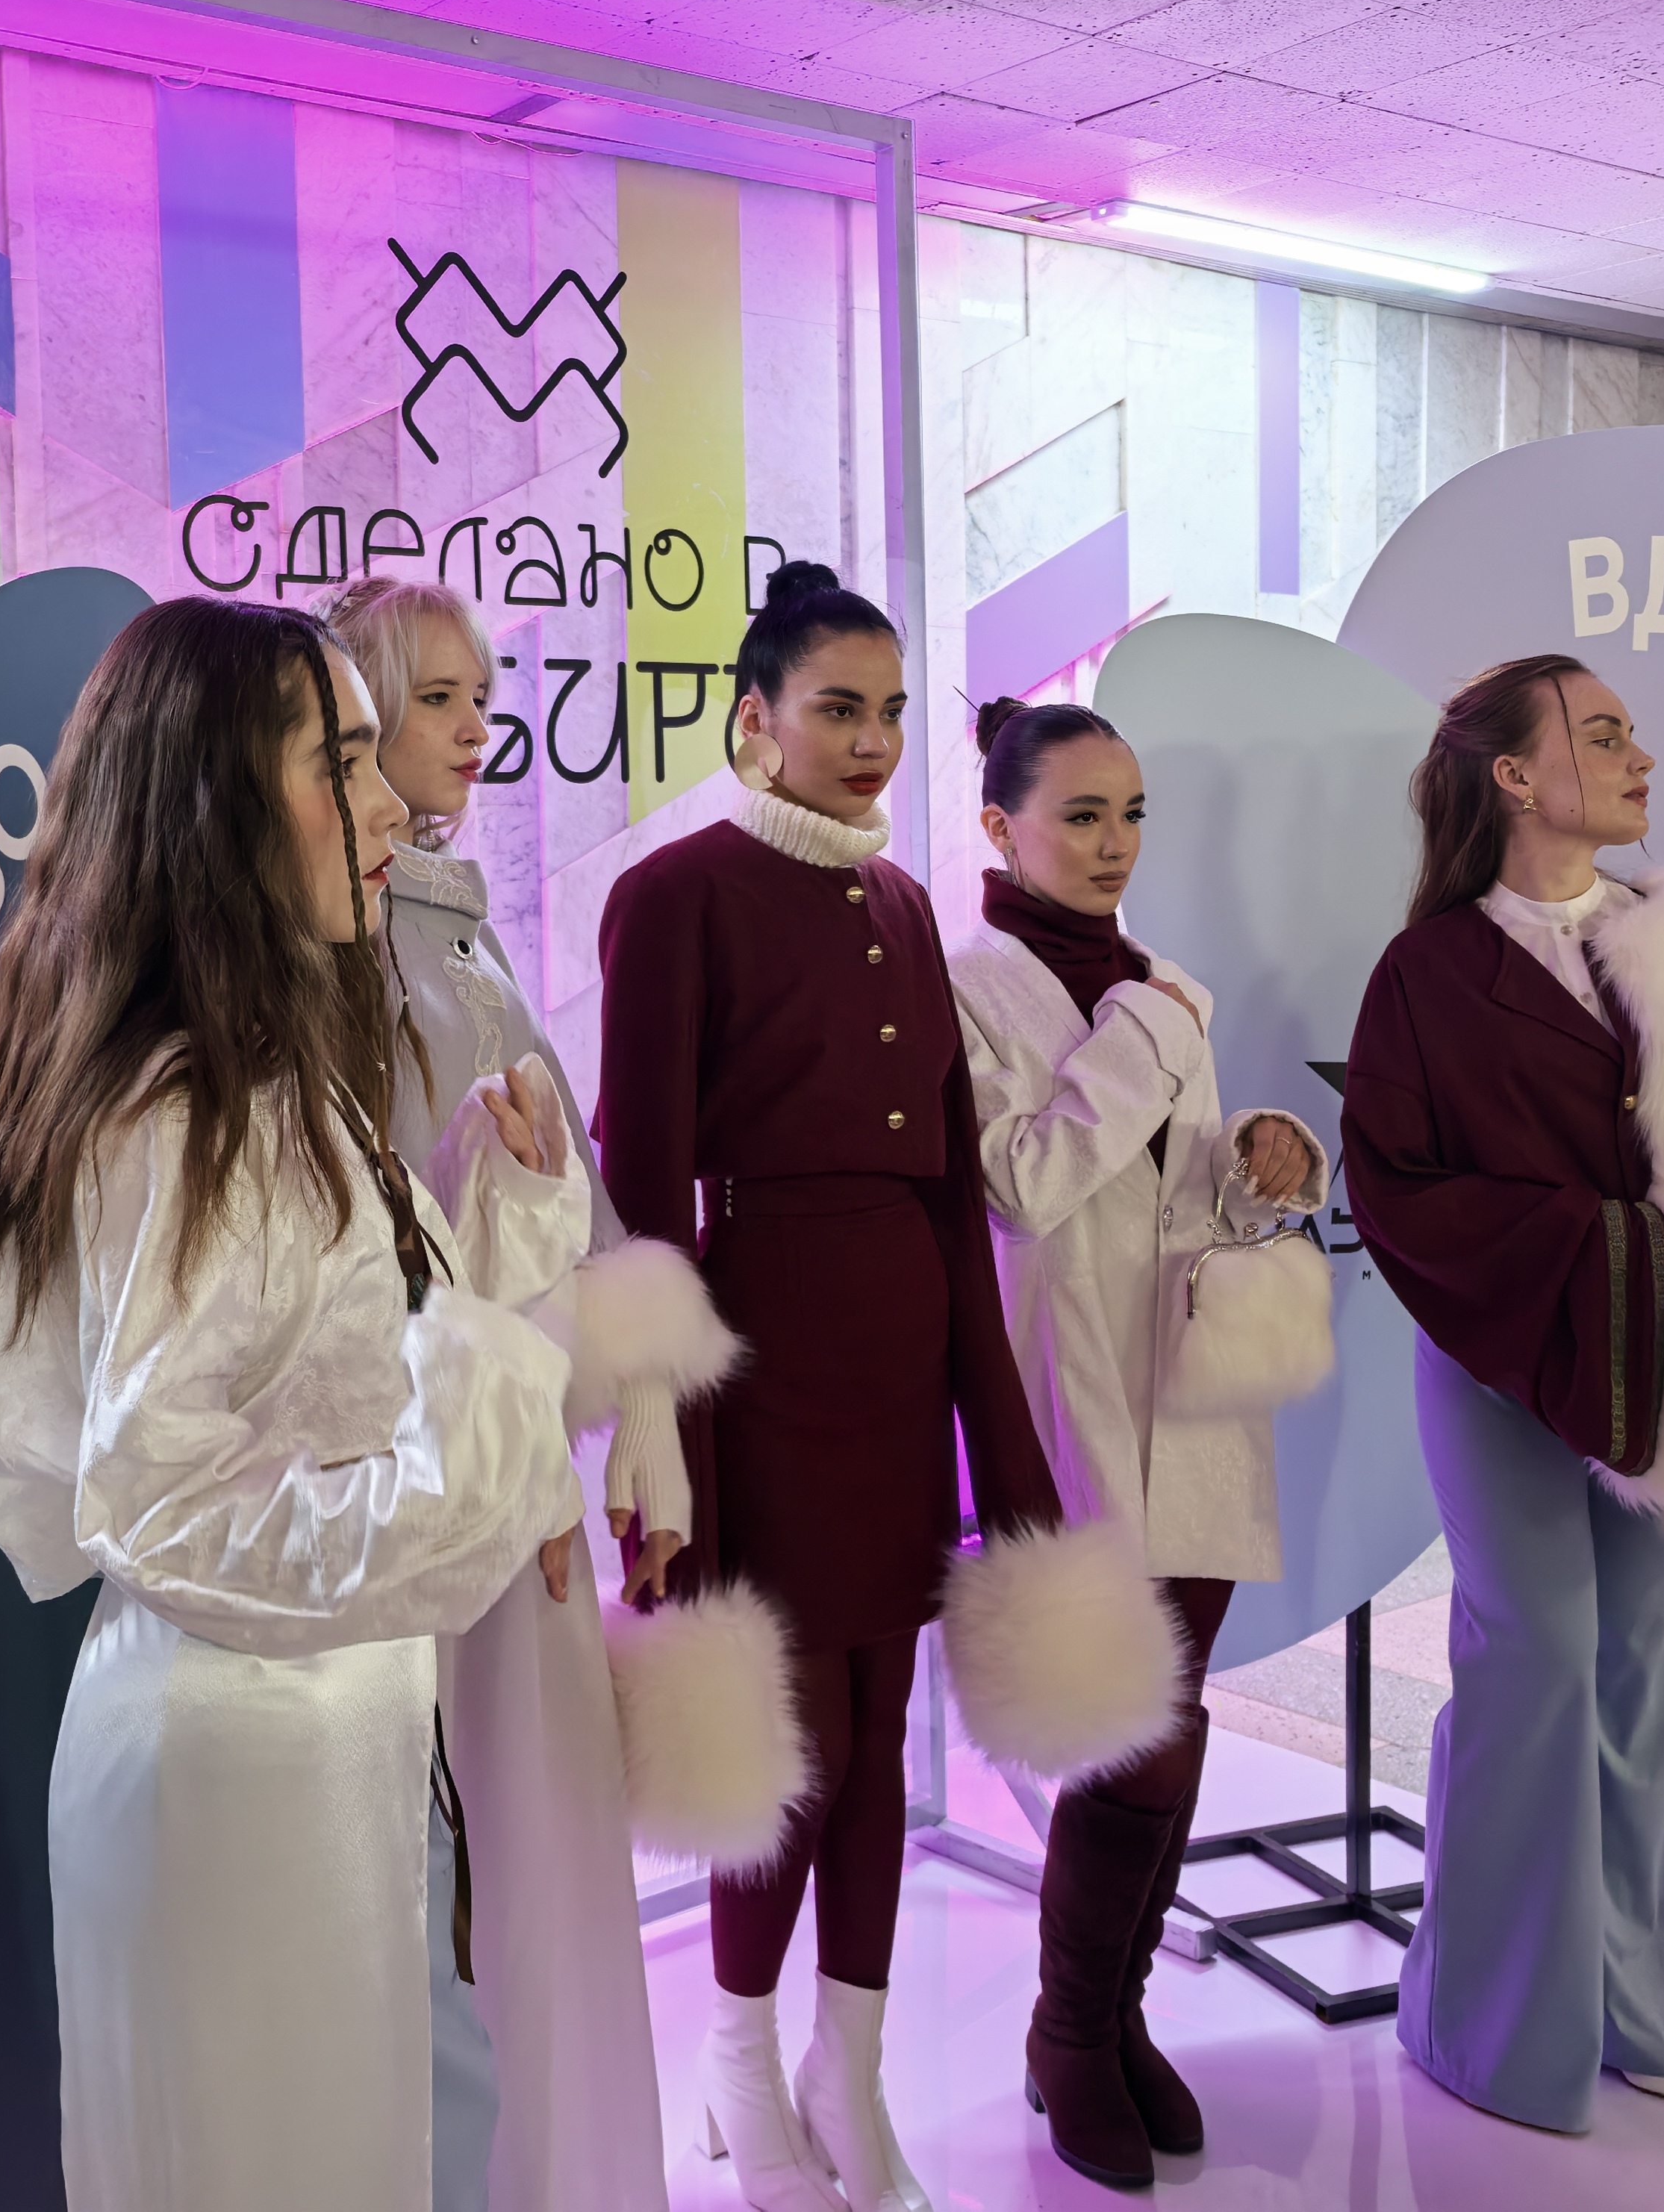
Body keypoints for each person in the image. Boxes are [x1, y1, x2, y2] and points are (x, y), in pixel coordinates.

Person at [0, 597, 585, 2212]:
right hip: (245, 1762)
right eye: (342, 763)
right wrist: (481, 1448)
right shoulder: (187, 1109)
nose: (386, 808)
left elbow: (322, 1370)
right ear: (217, 805)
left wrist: (488, 1223)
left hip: (312, 1737)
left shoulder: (260, 1072)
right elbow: (160, 1502)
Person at [594, 563, 1182, 2212]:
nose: (870, 741)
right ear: (756, 720)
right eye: (837, 709)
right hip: (757, 1356)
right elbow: (639, 1195)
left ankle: (842, 2071)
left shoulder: (906, 905)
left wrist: (1000, 1439)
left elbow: (944, 1191)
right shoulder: (674, 892)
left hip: (899, 1357)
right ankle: (736, 2059)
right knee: (790, 1734)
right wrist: (657, 1436)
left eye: (890, 711)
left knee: (878, 1730)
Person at [1341, 653, 1664, 2136]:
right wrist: (1607, 1256)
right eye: (1603, 734)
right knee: (1536, 1656)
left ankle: (1637, 2011)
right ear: (1512, 774)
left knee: (1640, 1668)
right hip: (1498, 1358)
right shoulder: (1428, 972)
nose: (1639, 757)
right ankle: (1485, 2026)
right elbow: (1400, 1188)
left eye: (1631, 734)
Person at [320, 576, 702, 2212]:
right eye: (438, 700)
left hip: (510, 1457)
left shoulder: (451, 927)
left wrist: (641, 1425)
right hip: (430, 1479)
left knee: (536, 1852)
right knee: (471, 1860)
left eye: (482, 696)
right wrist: (540, 1449)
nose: (478, 728)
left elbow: (568, 1194)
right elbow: (381, 1252)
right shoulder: (338, 950)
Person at [947, 697, 1335, 2188]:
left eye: (1131, 815)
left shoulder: (1161, 986)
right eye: (1080, 816)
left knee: (1176, 1710)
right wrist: (1148, 1038)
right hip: (1074, 1390)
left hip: (1195, 1386)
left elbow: (1184, 1200)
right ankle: (1066, 2032)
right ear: (1001, 827)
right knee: (1130, 1724)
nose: (1114, 845)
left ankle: (1114, 2017)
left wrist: (1263, 1166)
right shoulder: (970, 987)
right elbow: (1023, 1188)